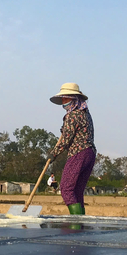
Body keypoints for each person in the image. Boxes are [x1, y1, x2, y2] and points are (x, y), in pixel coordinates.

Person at [47, 83, 96, 215]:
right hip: (90, 153)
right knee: (77, 190)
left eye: (66, 98)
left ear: (74, 98)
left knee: (66, 188)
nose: (64, 101)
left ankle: (75, 222)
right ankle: (80, 223)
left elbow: (66, 140)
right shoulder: (85, 113)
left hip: (79, 152)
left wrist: (54, 154)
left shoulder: (72, 115)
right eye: (63, 98)